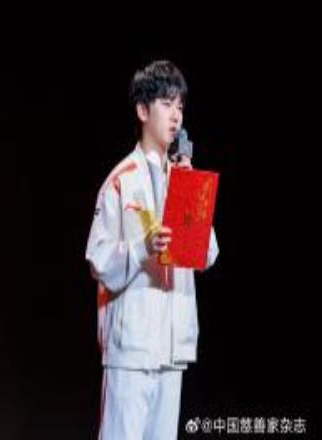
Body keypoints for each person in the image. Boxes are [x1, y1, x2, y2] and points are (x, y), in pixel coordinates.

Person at [86, 60, 219, 440]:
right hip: (131, 347)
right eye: (166, 103)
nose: (176, 115)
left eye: (180, 106)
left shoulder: (184, 179)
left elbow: (208, 255)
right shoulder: (120, 180)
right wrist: (142, 248)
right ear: (143, 110)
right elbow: (98, 259)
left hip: (172, 348)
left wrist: (194, 194)